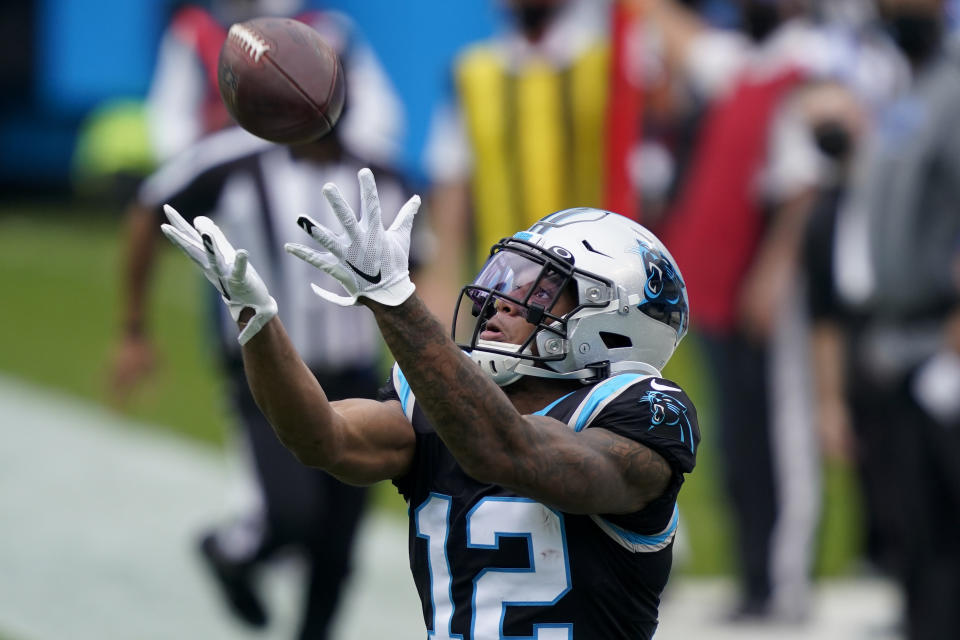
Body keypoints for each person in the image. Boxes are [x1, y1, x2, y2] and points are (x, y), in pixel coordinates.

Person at [157, 167, 700, 639]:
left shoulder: (638, 414)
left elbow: (509, 452)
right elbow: (320, 436)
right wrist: (257, 320)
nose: (498, 302)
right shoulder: (441, 403)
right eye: (507, 278)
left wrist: (397, 302)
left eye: (538, 290)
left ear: (612, 320)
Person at [110, 9, 409, 637]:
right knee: (292, 516)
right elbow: (147, 211)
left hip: (358, 368)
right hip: (266, 369)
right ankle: (231, 552)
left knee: (338, 545)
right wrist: (135, 329)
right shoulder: (228, 161)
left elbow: (420, 264)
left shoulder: (375, 171)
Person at [634, 0, 905, 622]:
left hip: (771, 286)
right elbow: (682, 40)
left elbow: (805, 184)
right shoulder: (743, 65)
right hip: (722, 284)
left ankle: (784, 583)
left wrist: (775, 270)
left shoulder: (814, 63)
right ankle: (754, 578)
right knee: (738, 440)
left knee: (785, 435)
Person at [825, 1, 960, 636]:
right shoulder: (907, 95)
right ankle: (923, 615)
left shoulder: (953, 91)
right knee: (910, 503)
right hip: (895, 330)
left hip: (944, 328)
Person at [420, 0, 621, 320]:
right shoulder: (473, 73)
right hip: (506, 276)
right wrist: (443, 276)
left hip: (597, 271)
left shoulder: (604, 63)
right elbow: (451, 179)